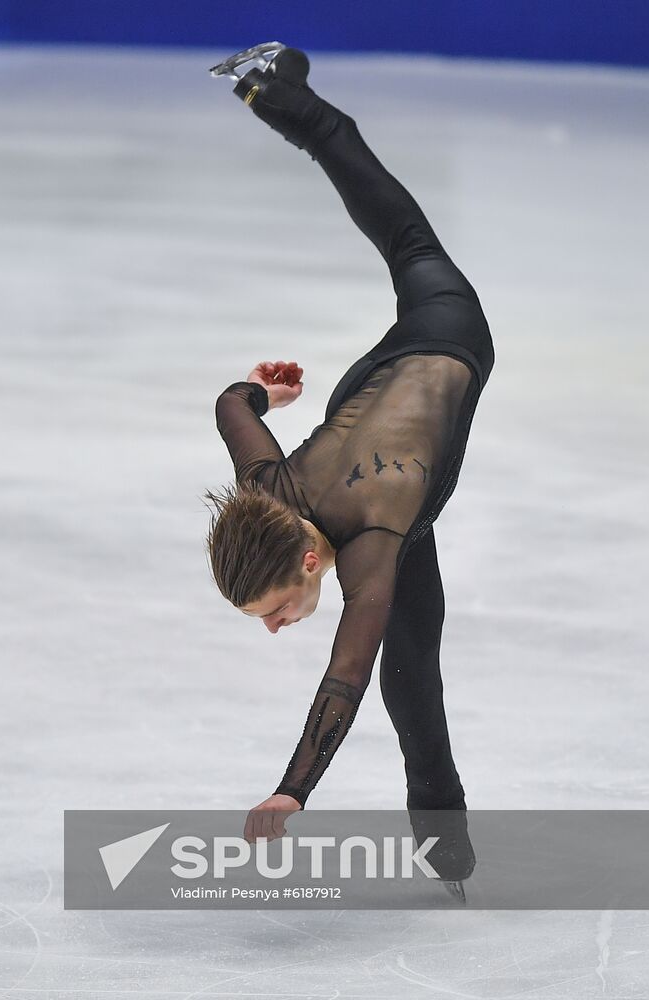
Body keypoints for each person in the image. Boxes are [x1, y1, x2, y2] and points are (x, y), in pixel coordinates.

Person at [203, 43, 495, 900]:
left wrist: (291, 790)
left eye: (274, 609)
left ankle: (284, 93)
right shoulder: (267, 493)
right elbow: (230, 407)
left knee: (406, 671)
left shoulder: (369, 542)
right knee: (416, 672)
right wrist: (263, 391)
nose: (276, 626)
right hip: (366, 399)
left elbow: (344, 675)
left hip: (446, 332)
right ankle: (277, 90)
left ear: (307, 560)